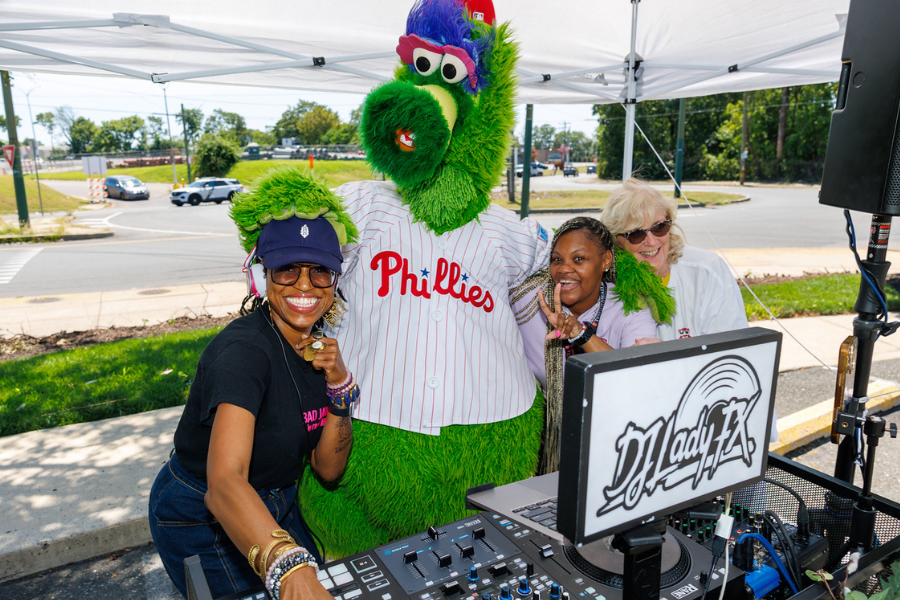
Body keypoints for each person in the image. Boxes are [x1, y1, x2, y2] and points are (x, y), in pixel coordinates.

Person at [148, 167, 360, 600]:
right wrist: (291, 568)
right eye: (286, 270)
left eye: (320, 271)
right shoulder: (243, 354)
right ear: (261, 273)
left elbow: (328, 469)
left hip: (276, 499)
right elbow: (225, 482)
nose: (304, 285)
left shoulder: (317, 347)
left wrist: (339, 386)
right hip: (200, 514)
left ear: (336, 279)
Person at [511, 216, 674, 472]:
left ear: (605, 261)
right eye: (557, 259)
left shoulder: (630, 309)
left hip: (615, 444)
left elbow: (631, 381)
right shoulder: (530, 303)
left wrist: (580, 333)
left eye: (579, 259)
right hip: (541, 445)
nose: (564, 269)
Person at [600, 178, 749, 342]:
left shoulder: (707, 270)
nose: (651, 241)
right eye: (636, 233)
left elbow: (733, 349)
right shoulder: (606, 287)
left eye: (659, 227)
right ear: (615, 240)